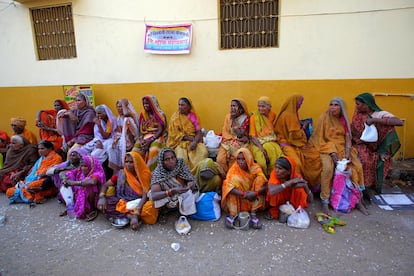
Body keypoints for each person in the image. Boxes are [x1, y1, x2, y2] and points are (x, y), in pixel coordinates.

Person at [309, 97, 366, 214]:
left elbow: (347, 139)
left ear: (341, 108)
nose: (333, 107)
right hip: (325, 148)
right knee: (328, 169)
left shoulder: (343, 120)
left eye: (336, 105)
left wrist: (348, 152)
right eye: (331, 104)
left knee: (356, 167)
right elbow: (319, 139)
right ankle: (325, 201)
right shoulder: (324, 118)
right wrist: (331, 151)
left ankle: (358, 200)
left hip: (342, 148)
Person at [351, 92, 403, 196]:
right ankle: (363, 188)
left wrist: (375, 120)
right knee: (364, 159)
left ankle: (373, 187)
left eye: (358, 104)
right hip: (360, 142)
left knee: (388, 126)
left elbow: (399, 122)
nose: (356, 106)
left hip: (377, 145)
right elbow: (355, 131)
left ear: (367, 104)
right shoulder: (358, 114)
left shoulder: (379, 114)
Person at [97, 152, 158, 230]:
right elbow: (105, 185)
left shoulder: (144, 174)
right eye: (126, 162)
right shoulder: (121, 173)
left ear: (137, 162)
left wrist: (137, 213)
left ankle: (129, 215)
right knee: (104, 204)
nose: (128, 164)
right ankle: (129, 216)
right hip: (122, 200)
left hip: (139, 202)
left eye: (131, 162)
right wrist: (101, 197)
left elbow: (144, 196)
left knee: (149, 207)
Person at [274, 95, 321, 188]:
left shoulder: (292, 114)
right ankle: (299, 188)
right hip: (287, 144)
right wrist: (304, 127)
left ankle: (309, 185)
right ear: (294, 103)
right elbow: (294, 136)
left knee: (313, 156)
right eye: (300, 102)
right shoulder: (289, 115)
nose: (300, 105)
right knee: (297, 163)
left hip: (293, 143)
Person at [222, 148, 267, 229]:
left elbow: (266, 186)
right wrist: (244, 194)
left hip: (253, 198)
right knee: (228, 184)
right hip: (240, 198)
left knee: (261, 180)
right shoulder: (234, 169)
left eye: (243, 159)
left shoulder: (256, 168)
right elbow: (227, 185)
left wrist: (255, 193)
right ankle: (232, 214)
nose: (241, 161)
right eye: (238, 159)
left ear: (249, 158)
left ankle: (253, 213)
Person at [149, 148, 198, 222]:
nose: (171, 161)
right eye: (167, 159)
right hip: (168, 195)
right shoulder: (158, 173)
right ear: (162, 162)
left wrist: (190, 184)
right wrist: (171, 191)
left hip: (182, 192)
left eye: (173, 157)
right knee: (152, 196)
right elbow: (154, 195)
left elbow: (190, 179)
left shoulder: (180, 164)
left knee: (190, 194)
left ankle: (183, 213)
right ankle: (165, 211)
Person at [61, 155, 106, 221]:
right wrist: (65, 179)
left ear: (91, 165)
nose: (83, 168)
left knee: (89, 186)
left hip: (96, 198)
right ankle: (76, 206)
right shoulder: (80, 171)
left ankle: (91, 209)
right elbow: (66, 173)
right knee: (70, 176)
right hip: (80, 192)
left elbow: (92, 181)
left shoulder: (98, 173)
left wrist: (73, 183)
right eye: (81, 166)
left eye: (85, 166)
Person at [167, 97, 208, 169]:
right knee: (181, 157)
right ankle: (184, 176)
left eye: (182, 105)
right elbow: (174, 134)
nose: (180, 107)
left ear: (189, 106)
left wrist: (195, 142)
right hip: (180, 142)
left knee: (203, 153)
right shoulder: (175, 117)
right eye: (179, 105)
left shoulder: (193, 116)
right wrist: (188, 138)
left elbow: (198, 132)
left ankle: (196, 174)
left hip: (193, 140)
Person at [249, 96, 284, 176]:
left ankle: (275, 176)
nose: (260, 108)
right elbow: (252, 136)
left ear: (269, 107)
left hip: (271, 140)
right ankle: (265, 178)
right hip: (257, 142)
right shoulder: (253, 117)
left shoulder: (273, 115)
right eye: (259, 106)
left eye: (263, 106)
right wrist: (261, 148)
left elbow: (275, 130)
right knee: (262, 162)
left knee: (278, 155)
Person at [133, 94, 167, 171]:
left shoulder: (160, 114)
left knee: (153, 151)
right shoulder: (143, 114)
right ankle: (138, 173)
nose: (145, 105)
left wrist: (150, 140)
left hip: (157, 137)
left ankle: (149, 174)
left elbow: (160, 130)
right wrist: (142, 140)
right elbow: (141, 130)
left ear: (153, 103)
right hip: (145, 137)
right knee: (135, 151)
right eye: (144, 103)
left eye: (147, 103)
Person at [217, 98, 250, 173]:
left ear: (241, 109)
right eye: (231, 106)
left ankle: (234, 174)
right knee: (220, 159)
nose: (232, 108)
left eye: (234, 106)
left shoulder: (245, 118)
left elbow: (240, 134)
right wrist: (232, 139)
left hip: (241, 142)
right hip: (227, 141)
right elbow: (225, 131)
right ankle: (225, 176)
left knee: (235, 156)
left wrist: (234, 119)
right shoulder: (228, 117)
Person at [108, 99, 139, 174]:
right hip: (121, 139)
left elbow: (133, 133)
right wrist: (117, 140)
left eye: (121, 107)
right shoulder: (118, 118)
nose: (119, 109)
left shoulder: (129, 118)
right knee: (111, 148)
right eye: (118, 107)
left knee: (123, 147)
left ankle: (123, 172)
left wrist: (125, 141)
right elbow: (117, 132)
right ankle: (116, 173)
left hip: (130, 139)